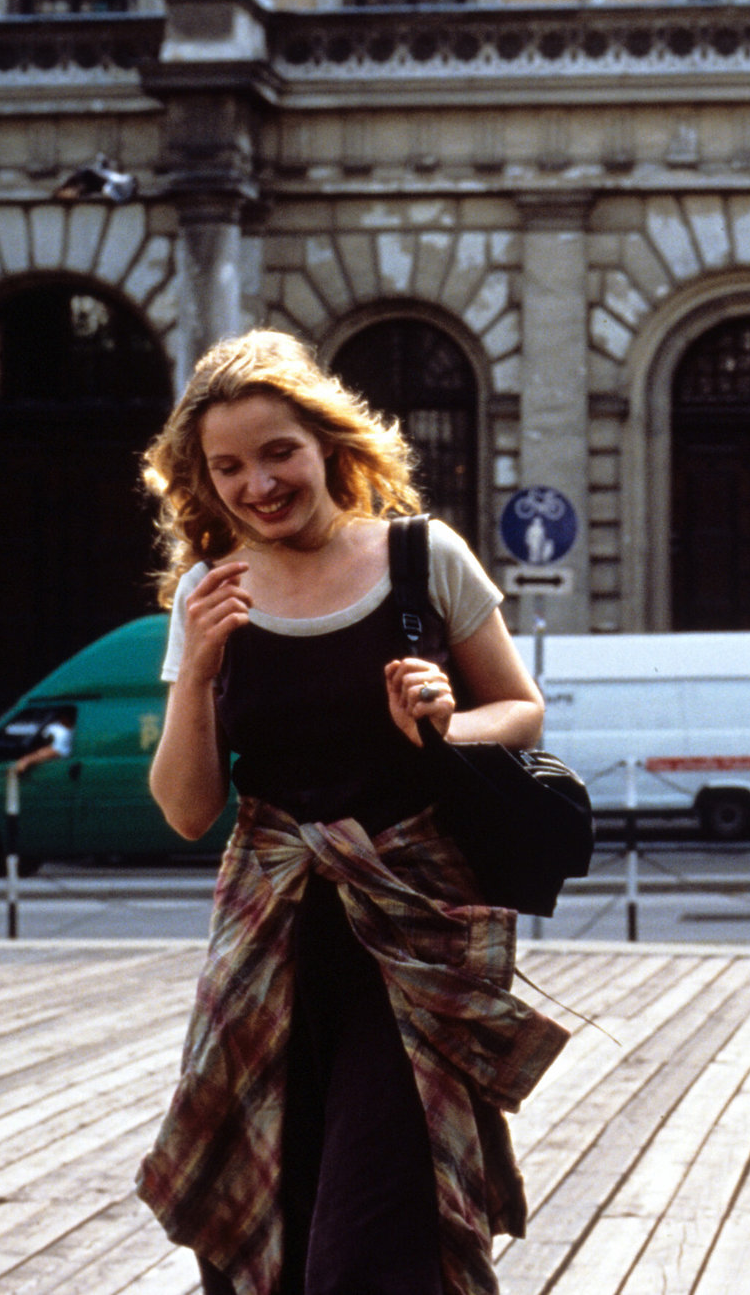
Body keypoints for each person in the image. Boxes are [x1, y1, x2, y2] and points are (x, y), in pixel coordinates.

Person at [133, 329, 567, 1295]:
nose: (258, 485)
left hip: (412, 940)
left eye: (278, 452)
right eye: (228, 467)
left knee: (373, 1246)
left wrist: (448, 721)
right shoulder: (210, 594)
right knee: (264, 1234)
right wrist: (197, 669)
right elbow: (187, 808)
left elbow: (522, 708)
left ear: (329, 442)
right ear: (201, 480)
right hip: (268, 946)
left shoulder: (421, 558)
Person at [6, 707, 73, 781]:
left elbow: (54, 751)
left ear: (64, 718)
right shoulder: (72, 730)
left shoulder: (66, 733)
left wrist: (26, 760)